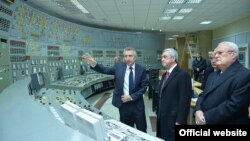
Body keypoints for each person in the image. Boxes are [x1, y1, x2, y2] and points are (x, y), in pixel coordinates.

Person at [82, 47, 148, 132]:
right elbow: (104, 69)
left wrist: (131, 97)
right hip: (123, 104)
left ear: (135, 57)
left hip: (137, 104)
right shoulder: (119, 66)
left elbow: (144, 87)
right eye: (126, 56)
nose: (128, 58)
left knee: (142, 129)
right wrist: (94, 63)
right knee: (126, 129)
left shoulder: (141, 69)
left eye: (130, 56)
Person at [194, 41, 250, 125]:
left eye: (220, 53)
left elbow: (234, 105)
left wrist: (206, 117)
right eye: (215, 53)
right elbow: (203, 95)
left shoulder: (245, 75)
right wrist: (198, 110)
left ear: (233, 55)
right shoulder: (212, 75)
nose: (216, 56)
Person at [156, 48, 193, 141]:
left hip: (174, 120)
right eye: (162, 57)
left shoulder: (183, 75)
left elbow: (184, 101)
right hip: (162, 118)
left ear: (173, 59)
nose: (162, 59)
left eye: (165, 57)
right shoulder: (165, 75)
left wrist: (180, 121)